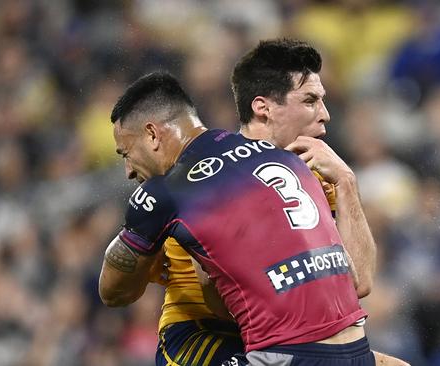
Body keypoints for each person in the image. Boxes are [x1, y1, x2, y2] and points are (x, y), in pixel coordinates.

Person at [100, 39, 409, 365]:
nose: (325, 115)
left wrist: (346, 182)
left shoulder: (312, 174)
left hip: (283, 340)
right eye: (310, 101)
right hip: (207, 335)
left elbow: (358, 282)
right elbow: (126, 291)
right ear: (263, 107)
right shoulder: (190, 187)